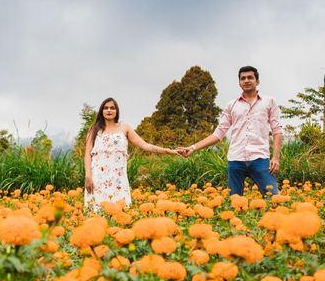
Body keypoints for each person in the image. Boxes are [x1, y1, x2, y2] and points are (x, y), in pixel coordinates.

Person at [179, 66, 283, 196]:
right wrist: (193, 147)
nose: (246, 80)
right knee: (234, 202)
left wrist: (276, 158)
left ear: (257, 81)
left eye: (250, 77)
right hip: (235, 160)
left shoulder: (269, 102)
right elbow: (218, 134)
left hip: (260, 159)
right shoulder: (231, 105)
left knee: (274, 198)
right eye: (243, 78)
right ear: (239, 83)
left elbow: (277, 131)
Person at [84, 97, 178, 212]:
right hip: (97, 179)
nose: (109, 110)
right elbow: (87, 154)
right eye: (106, 108)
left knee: (121, 212)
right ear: (101, 111)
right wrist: (88, 176)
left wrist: (170, 151)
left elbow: (146, 146)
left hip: (118, 180)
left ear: (117, 111)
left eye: (112, 108)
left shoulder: (125, 128)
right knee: (96, 213)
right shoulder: (93, 129)